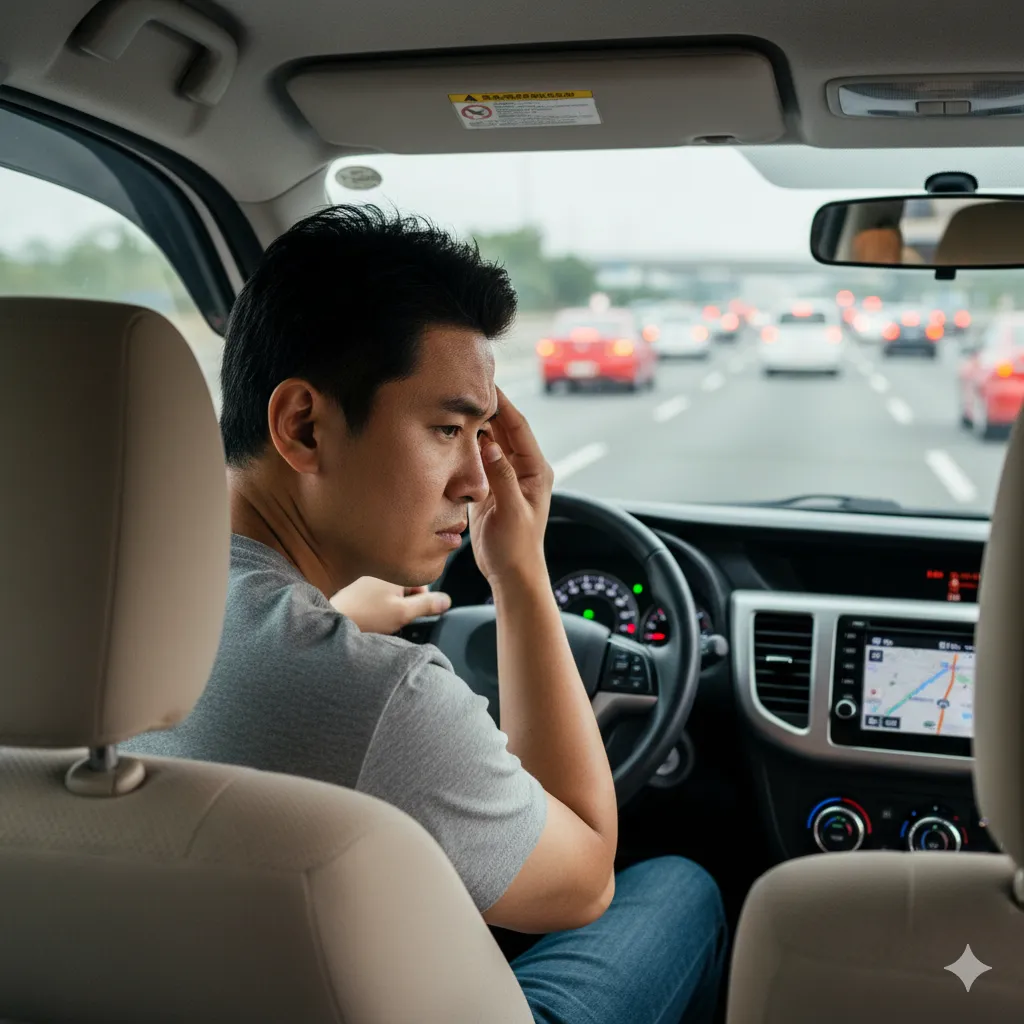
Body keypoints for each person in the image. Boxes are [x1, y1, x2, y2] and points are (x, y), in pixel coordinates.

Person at [125, 205, 726, 1023]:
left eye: (485, 435)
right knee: (679, 886)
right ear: (302, 425)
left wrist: (330, 617)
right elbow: (583, 879)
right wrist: (519, 577)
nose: (480, 482)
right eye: (448, 428)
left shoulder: (110, 623)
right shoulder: (384, 697)